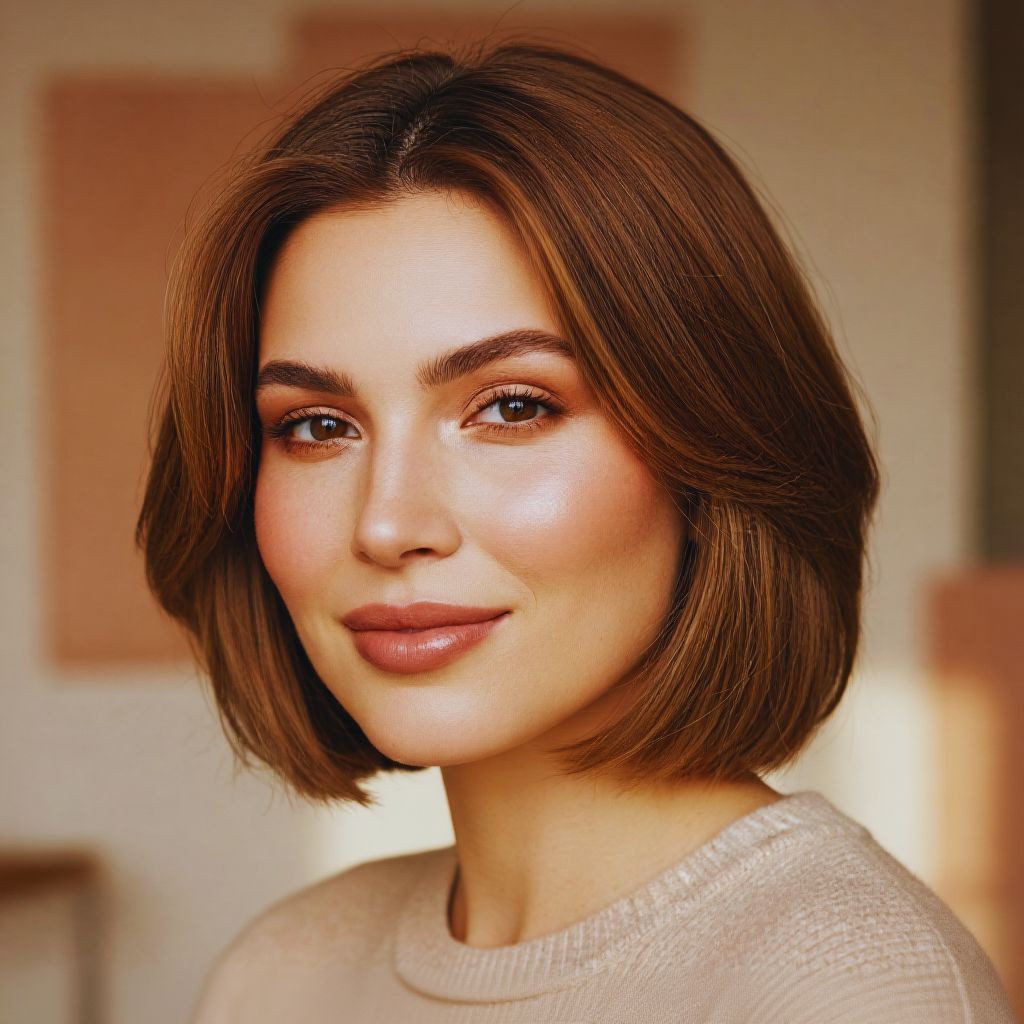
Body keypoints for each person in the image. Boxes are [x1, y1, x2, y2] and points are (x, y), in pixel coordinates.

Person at [136, 38, 1017, 1024]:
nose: (387, 523)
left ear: (706, 451)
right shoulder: (280, 973)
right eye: (317, 426)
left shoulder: (846, 988)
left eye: (512, 407)